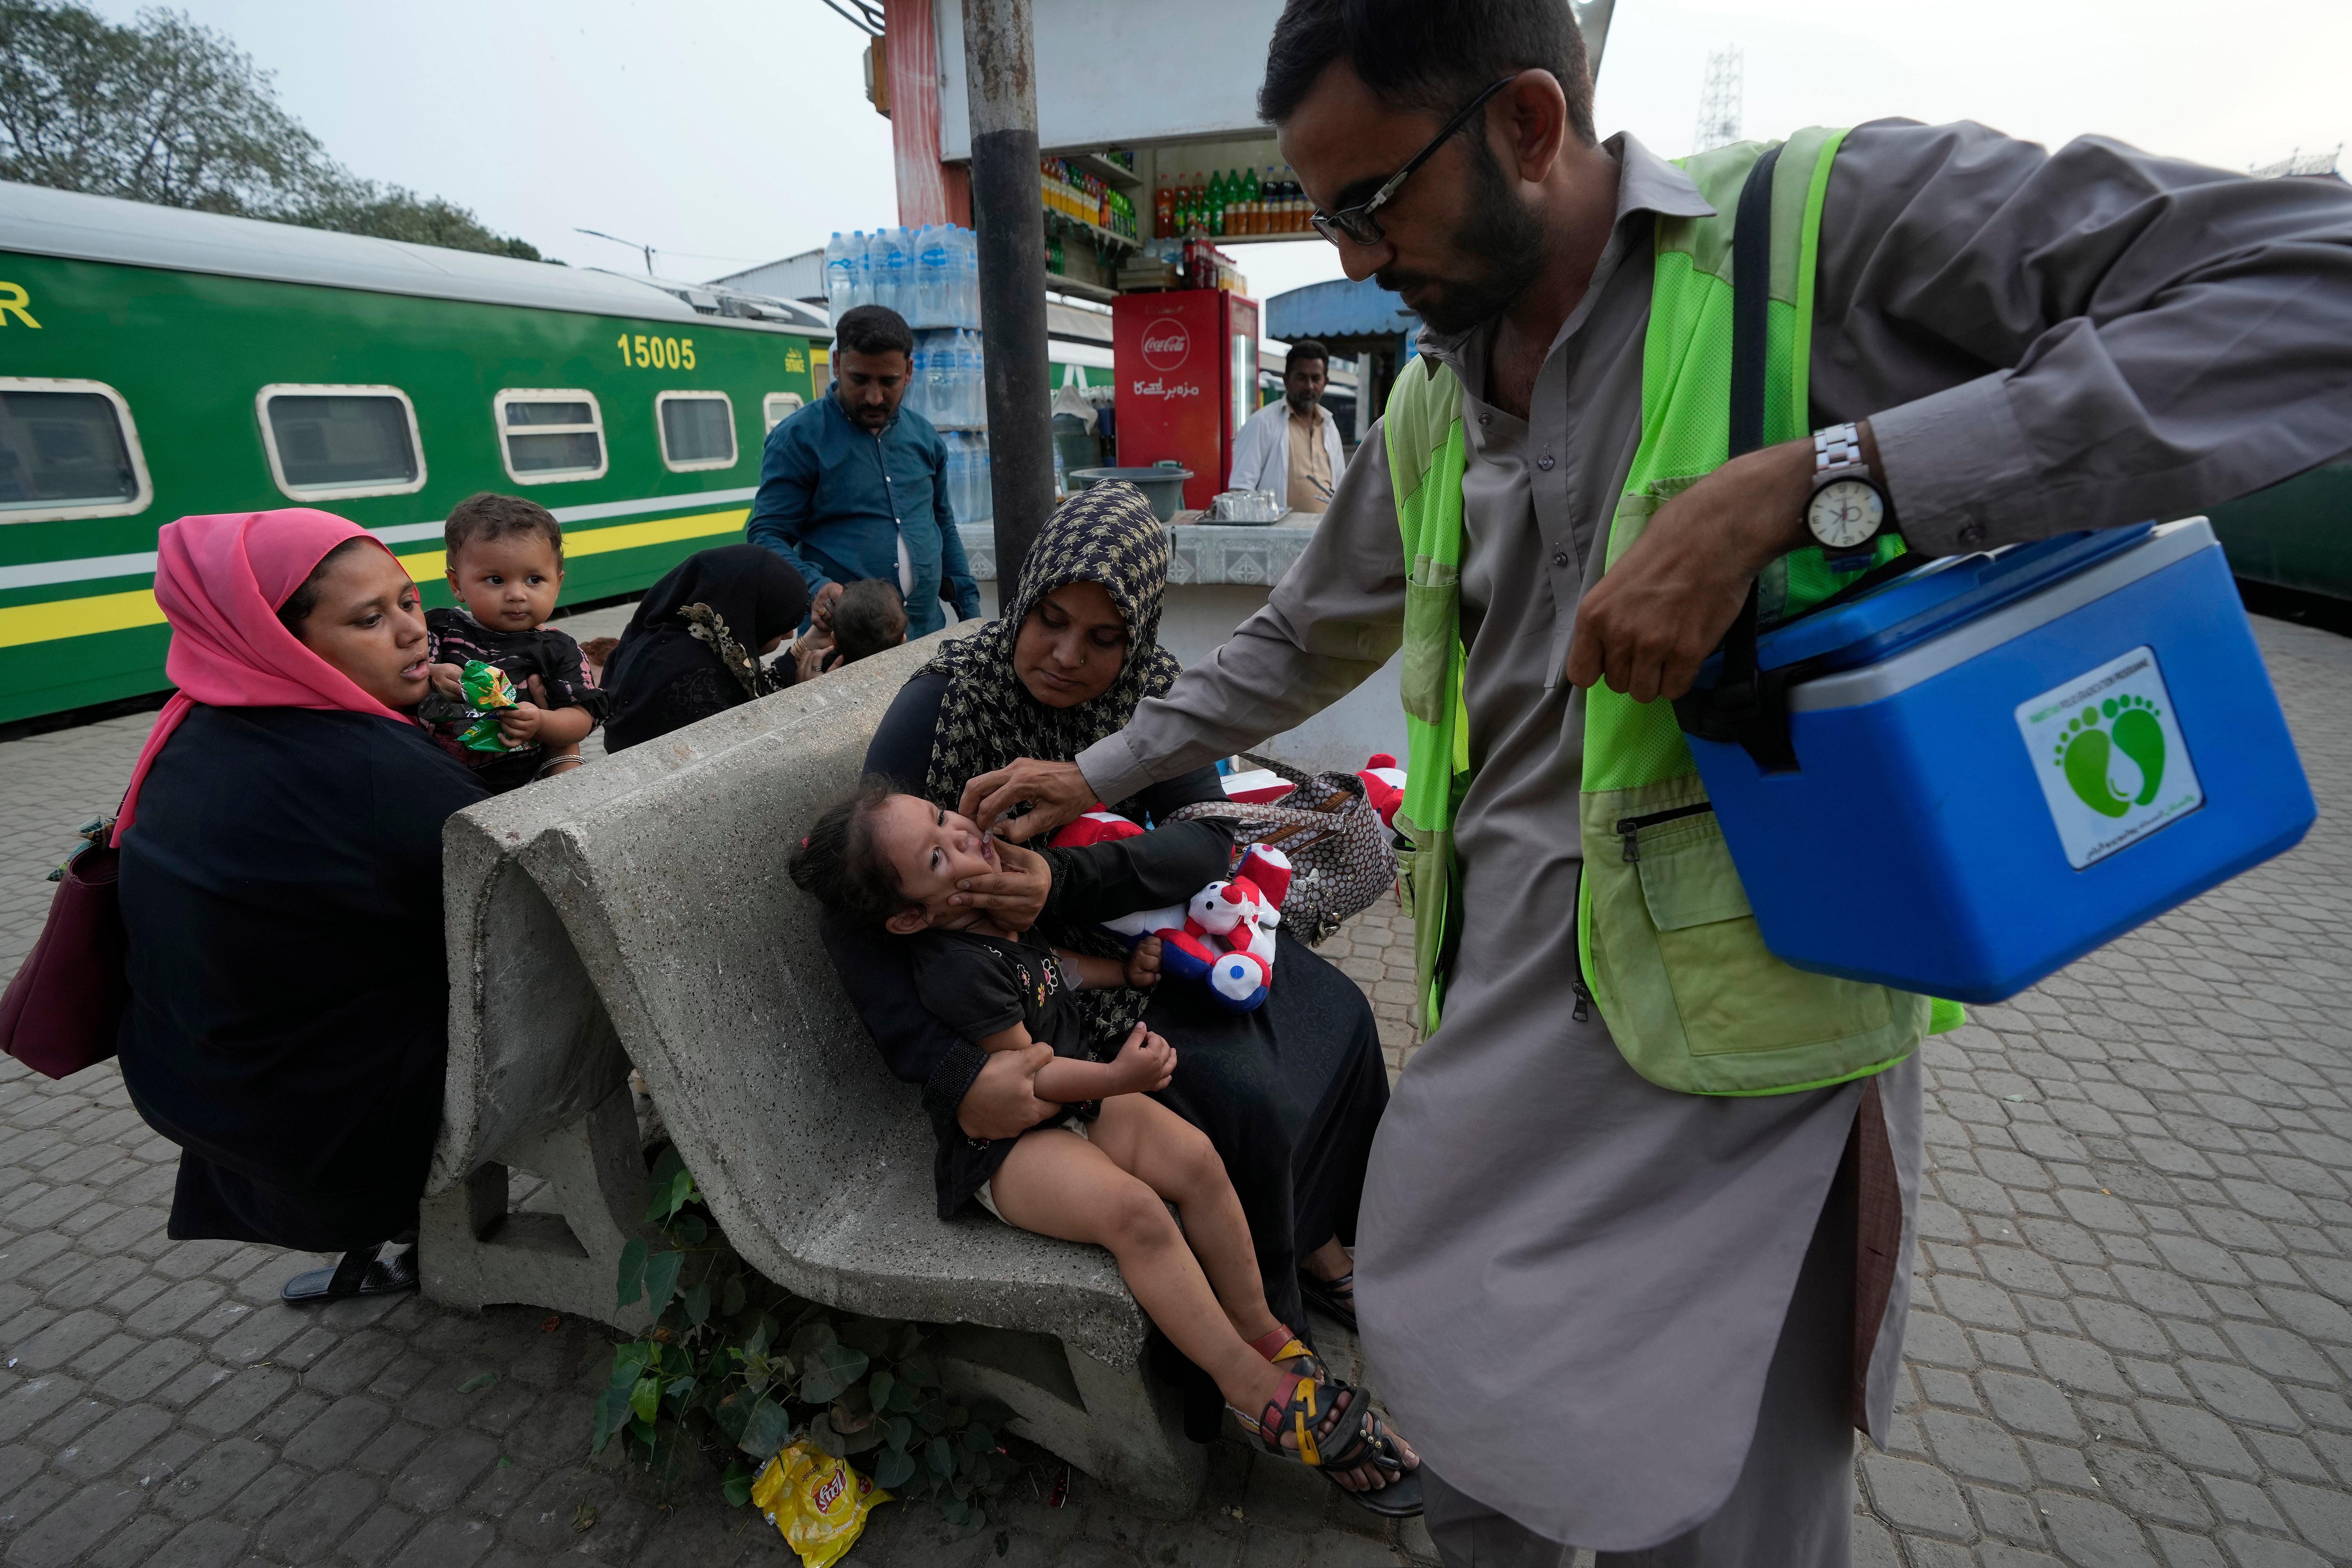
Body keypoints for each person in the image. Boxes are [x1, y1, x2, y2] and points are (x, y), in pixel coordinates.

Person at [977, 2, 2352, 1562]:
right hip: (1505, 1026)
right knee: (1457, 1396)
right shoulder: (1432, 395)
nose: (1355, 261)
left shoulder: (1816, 233)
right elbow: (1297, 638)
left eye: (1372, 205)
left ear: (1525, 125)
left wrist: (1828, 483)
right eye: (1327, 216)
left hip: (1748, 1051)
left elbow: (2310, 285)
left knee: (1725, 1502)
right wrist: (1088, 766)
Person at [825, 483, 1415, 1508]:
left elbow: (1202, 838)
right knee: (1242, 1099)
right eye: (1049, 620)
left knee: (1336, 1016)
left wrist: (1065, 881)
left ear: (1137, 635)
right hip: (1030, 1014)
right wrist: (955, 1072)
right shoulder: (943, 702)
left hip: (1128, 951)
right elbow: (860, 911)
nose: (1066, 656)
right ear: (1022, 602)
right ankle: (1266, 1358)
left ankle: (1319, 1246)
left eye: (1102, 636)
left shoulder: (1153, 691)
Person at [788, 784, 1415, 1492]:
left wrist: (1123, 970)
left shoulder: (992, 907)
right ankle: (1247, 1389)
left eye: (941, 818)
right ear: (909, 919)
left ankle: (1265, 1332)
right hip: (1013, 1143)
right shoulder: (953, 970)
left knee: (1198, 1159)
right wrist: (1121, 1077)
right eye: (936, 855)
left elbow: (1054, 969)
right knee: (1136, 1215)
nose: (961, 835)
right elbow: (1033, 1076)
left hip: (1075, 1101)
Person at [113, 509, 487, 1302]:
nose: (411, 632)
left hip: (194, 1085)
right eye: (367, 618)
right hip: (320, 1124)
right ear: (287, 642)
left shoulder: (197, 727)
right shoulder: (366, 766)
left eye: (409, 601)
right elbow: (514, 902)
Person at [746, 303, 982, 638]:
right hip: (844, 645)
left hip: (926, 634)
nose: (874, 397)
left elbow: (942, 524)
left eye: (889, 382)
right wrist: (817, 586)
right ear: (837, 365)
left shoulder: (925, 438)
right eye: (860, 380)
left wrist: (971, 612)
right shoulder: (798, 439)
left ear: (910, 372)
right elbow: (767, 535)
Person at [421, 492, 605, 790]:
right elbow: (393, 677)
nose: (517, 595)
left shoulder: (559, 649)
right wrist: (429, 674)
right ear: (457, 585)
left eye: (534, 580)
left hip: (524, 785)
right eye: (496, 580)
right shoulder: (440, 628)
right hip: (436, 776)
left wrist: (542, 723)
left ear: (557, 585)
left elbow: (582, 719)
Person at [602, 544, 811, 753]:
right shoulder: (696, 679)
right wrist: (805, 701)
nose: (789, 636)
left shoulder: (663, 638)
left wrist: (804, 650)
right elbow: (755, 760)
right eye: (781, 625)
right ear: (747, 615)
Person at [1227, 338, 1346, 514]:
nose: (1309, 386)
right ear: (1286, 380)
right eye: (1301, 378)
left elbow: (1342, 487)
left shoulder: (1329, 425)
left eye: (1316, 379)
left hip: (1324, 536)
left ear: (1325, 382)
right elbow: (1240, 490)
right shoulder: (1262, 423)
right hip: (1277, 538)